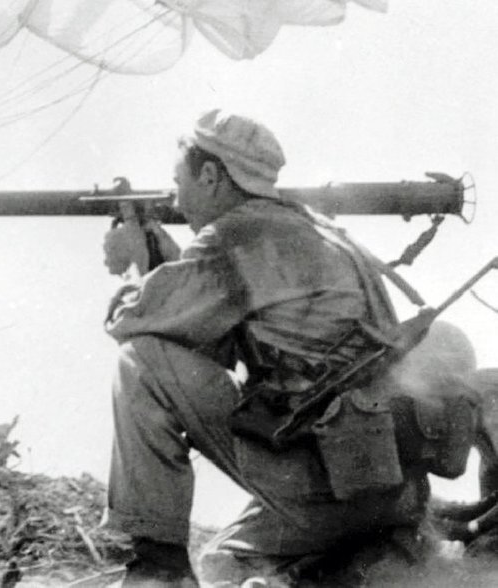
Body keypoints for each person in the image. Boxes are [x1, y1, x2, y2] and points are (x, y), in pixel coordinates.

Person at [100, 109, 443, 587]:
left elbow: (134, 322)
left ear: (210, 175)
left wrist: (135, 262)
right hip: (384, 486)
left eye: (178, 183)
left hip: (321, 485)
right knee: (222, 564)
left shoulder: (236, 235)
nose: (175, 199)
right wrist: (166, 263)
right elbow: (222, 326)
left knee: (140, 360)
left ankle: (159, 568)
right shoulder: (310, 227)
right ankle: (339, 564)